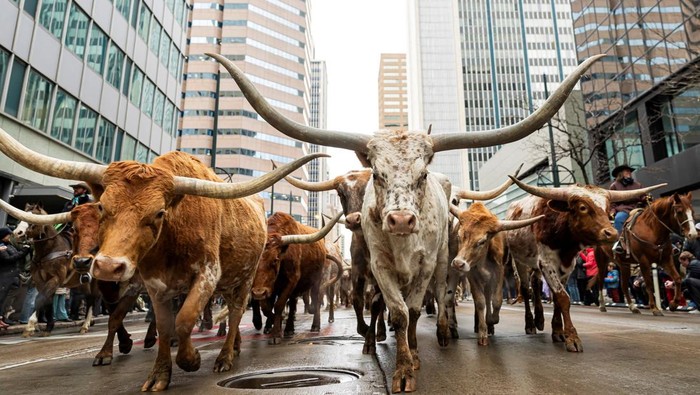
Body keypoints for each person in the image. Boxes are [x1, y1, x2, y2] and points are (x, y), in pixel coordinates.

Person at [609, 164, 647, 254]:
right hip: (624, 209)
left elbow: (643, 197)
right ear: (621, 173)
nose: (629, 173)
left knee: (654, 217)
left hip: (639, 208)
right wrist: (612, 211)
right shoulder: (614, 186)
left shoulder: (638, 184)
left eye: (630, 171)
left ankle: (669, 245)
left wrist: (646, 198)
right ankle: (619, 243)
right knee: (618, 219)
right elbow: (612, 203)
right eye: (627, 171)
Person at [0, 227, 31, 328]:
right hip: (5, 275)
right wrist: (24, 251)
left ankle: (1, 319)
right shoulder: (1, 246)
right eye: (7, 235)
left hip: (12, 275)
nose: (9, 236)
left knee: (4, 299)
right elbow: (9, 259)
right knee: (1, 298)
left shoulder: (9, 245)